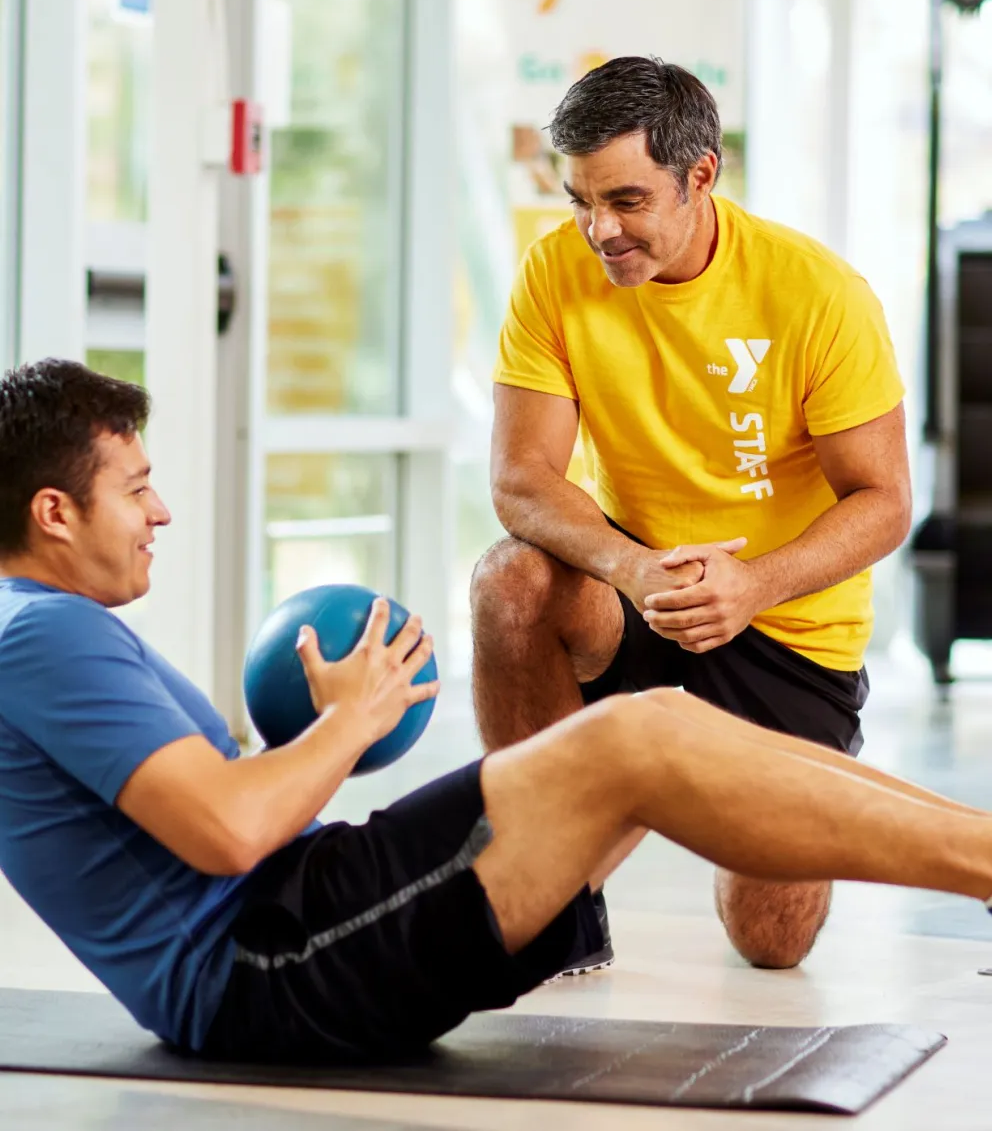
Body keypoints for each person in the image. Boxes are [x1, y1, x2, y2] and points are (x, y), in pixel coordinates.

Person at [4, 359, 984, 1068]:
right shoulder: (42, 637)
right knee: (634, 739)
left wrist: (302, 740)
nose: (161, 512)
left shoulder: (40, 630)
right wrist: (350, 719)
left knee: (655, 726)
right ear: (54, 512)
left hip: (296, 913)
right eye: (137, 490)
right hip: (268, 957)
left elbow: (203, 812)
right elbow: (226, 831)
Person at [472, 56, 911, 977]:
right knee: (510, 580)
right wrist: (631, 567)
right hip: (640, 591)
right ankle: (557, 887)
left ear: (701, 174)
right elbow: (521, 479)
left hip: (784, 621)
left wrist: (754, 584)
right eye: (581, 201)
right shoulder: (555, 271)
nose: (600, 230)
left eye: (627, 200)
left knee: (772, 942)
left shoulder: (816, 293)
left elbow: (883, 501)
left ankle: (653, 787)